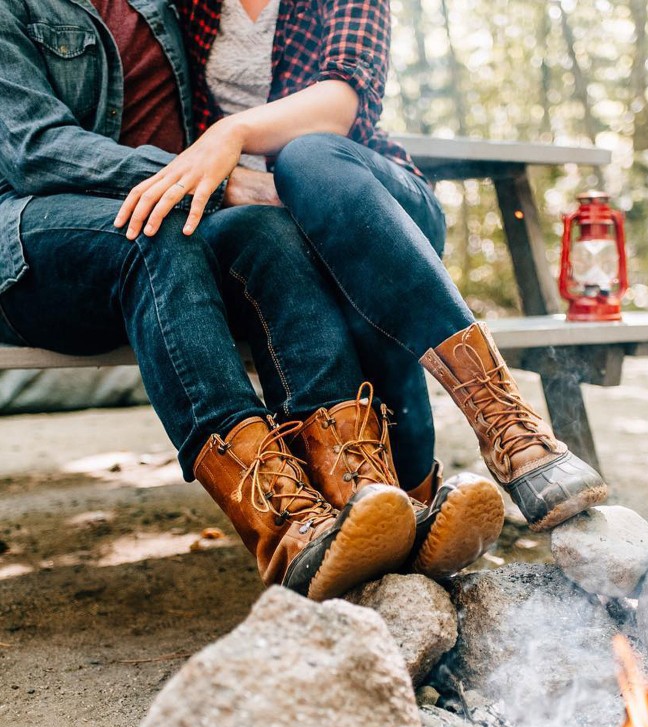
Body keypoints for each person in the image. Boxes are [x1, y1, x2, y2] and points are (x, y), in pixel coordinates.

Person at [0, 0, 507, 601]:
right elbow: (32, 148)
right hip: (36, 228)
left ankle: (362, 495)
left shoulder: (169, 6)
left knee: (274, 234)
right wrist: (208, 175)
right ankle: (285, 526)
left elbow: (324, 95)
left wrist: (223, 171)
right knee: (158, 226)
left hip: (241, 200)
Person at [117, 0, 609, 534]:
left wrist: (229, 134)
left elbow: (338, 105)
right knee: (289, 257)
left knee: (308, 159)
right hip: (260, 222)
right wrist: (233, 181)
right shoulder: (187, 8)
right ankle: (389, 507)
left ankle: (504, 419)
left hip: (367, 197)